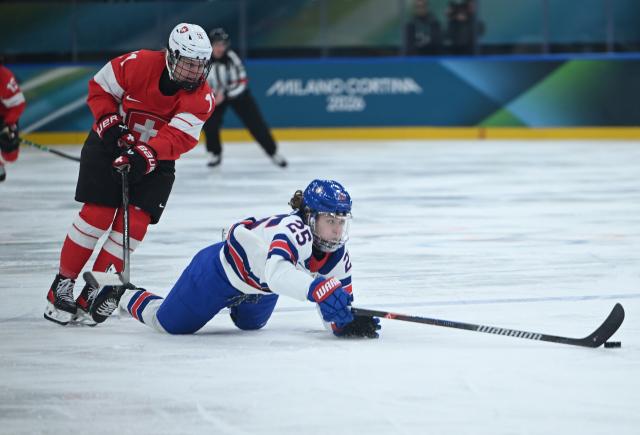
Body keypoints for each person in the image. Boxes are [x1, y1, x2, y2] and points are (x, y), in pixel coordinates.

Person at [44, 23, 215, 326]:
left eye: (199, 65)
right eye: (188, 63)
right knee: (97, 214)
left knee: (134, 223)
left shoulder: (202, 98)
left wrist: (144, 155)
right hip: (110, 143)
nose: (193, 72)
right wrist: (110, 124)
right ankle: (63, 284)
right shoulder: (137, 64)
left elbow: (178, 138)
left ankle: (94, 290)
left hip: (157, 158)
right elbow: (100, 89)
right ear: (171, 56)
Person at [90, 179, 381, 339]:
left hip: (259, 291)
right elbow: (278, 273)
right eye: (330, 219)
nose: (337, 229)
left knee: (251, 327)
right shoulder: (292, 228)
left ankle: (238, 304)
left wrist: (344, 322)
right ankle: (122, 292)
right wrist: (318, 290)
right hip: (218, 274)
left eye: (341, 220)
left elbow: (337, 300)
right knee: (169, 325)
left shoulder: (338, 255)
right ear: (310, 217)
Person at [202, 28, 287, 168]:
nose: (220, 48)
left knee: (255, 122)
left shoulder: (232, 58)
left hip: (238, 95)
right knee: (210, 123)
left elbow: (242, 82)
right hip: (215, 96)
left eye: (222, 44)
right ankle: (215, 153)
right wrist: (212, 96)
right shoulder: (204, 60)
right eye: (216, 44)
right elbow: (201, 82)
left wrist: (226, 95)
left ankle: (273, 152)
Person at [0, 57, 26, 182]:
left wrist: (8, 124)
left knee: (10, 154)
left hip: (4, 116)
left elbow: (18, 104)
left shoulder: (4, 76)